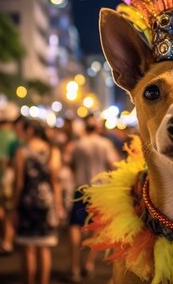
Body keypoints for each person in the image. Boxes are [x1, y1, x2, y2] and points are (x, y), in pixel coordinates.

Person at [69, 115, 119, 282]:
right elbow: (113, 166)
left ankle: (75, 266)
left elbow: (71, 164)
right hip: (100, 191)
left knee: (75, 226)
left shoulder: (79, 144)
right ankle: (88, 264)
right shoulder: (105, 144)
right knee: (96, 228)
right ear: (97, 127)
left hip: (80, 189)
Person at [13, 120, 62, 284]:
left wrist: (14, 206)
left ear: (31, 131)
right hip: (46, 201)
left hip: (27, 200)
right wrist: (58, 206)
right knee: (44, 248)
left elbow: (19, 182)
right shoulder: (52, 151)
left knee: (28, 249)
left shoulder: (22, 152)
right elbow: (56, 181)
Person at [0, 119, 17, 255]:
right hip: (9, 179)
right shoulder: (14, 136)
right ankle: (7, 240)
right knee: (7, 211)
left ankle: (5, 239)